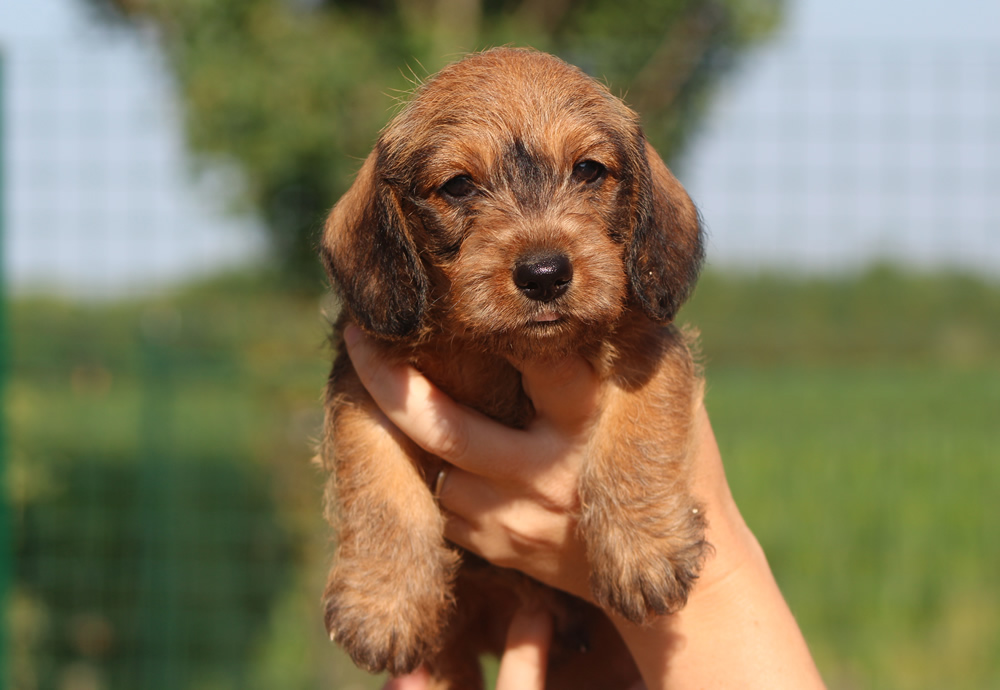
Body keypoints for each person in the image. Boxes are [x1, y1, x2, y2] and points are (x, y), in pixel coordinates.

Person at [342, 326, 826, 690]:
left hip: (611, 648)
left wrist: (677, 556)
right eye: (461, 187)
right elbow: (360, 394)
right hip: (466, 617)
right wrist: (388, 548)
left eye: (591, 182)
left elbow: (649, 350)